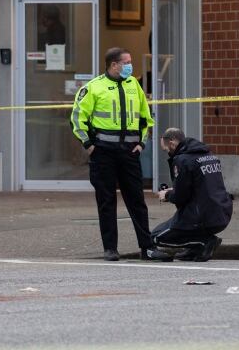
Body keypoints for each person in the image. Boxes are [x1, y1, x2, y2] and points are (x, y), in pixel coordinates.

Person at [71, 47, 173, 262]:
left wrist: (142, 144)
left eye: (130, 61)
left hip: (129, 153)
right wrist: (89, 145)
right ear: (113, 65)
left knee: (137, 201)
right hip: (103, 154)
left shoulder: (133, 84)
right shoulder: (94, 87)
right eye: (126, 62)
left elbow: (145, 117)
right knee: (106, 202)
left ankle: (147, 248)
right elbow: (78, 118)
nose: (130, 65)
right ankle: (110, 248)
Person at [153, 127, 233, 262]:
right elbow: (200, 185)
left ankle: (203, 243)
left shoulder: (182, 160)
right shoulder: (208, 155)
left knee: (155, 237)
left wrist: (166, 195)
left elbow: (180, 196)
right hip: (220, 213)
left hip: (199, 217)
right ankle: (197, 250)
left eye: (166, 150)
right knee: (176, 227)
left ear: (172, 143)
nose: (168, 153)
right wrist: (175, 188)